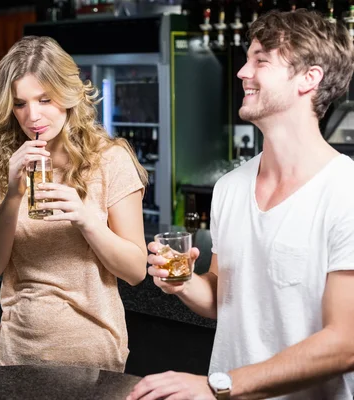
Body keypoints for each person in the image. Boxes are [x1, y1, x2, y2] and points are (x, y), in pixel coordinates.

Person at [128, 9, 354, 400]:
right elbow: (222, 299)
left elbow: (345, 342)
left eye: (261, 60)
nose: (242, 72)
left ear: (309, 78)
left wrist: (220, 385)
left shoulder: (344, 191)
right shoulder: (231, 187)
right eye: (247, 59)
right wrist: (182, 282)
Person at [0, 35, 148, 372]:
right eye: (20, 103)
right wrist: (12, 196)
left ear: (68, 96)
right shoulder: (0, 164)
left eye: (45, 99)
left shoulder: (109, 160)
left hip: (94, 356)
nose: (32, 116)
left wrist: (85, 219)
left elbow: (135, 271)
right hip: (16, 354)